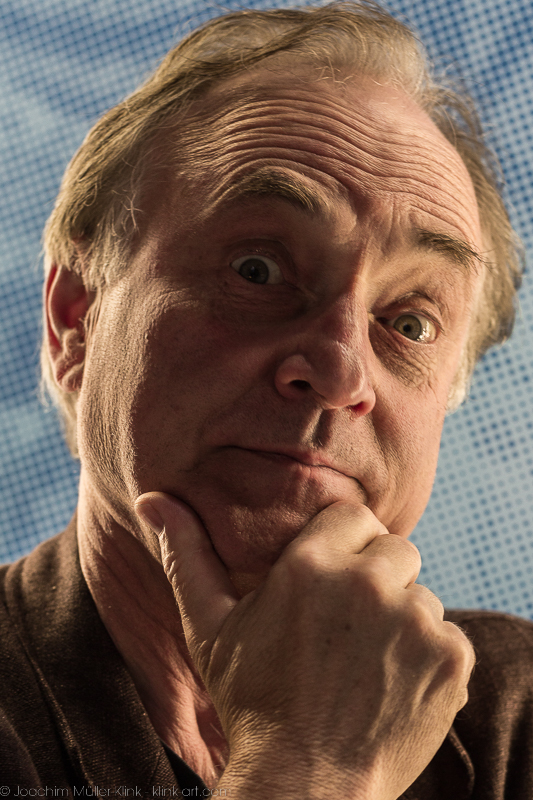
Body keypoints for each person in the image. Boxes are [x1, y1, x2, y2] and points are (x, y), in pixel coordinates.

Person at [0, 1, 531, 797]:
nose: (340, 372)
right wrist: (309, 762)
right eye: (257, 271)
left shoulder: (519, 719)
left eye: (408, 323)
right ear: (76, 319)